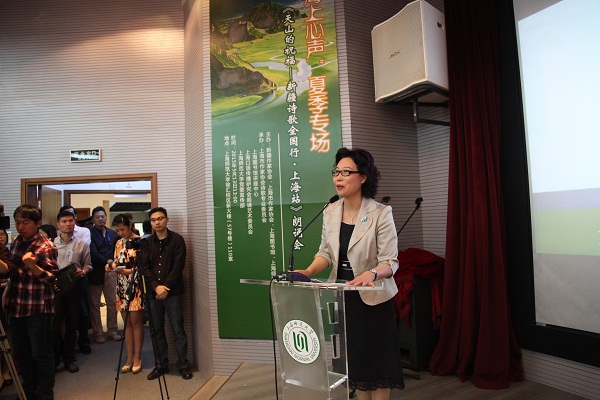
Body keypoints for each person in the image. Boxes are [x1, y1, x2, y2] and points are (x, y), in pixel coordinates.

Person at [296, 148, 405, 400]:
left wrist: (372, 274)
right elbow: (325, 253)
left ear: (363, 177)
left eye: (346, 172)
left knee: (377, 364)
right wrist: (309, 271)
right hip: (343, 298)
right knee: (355, 365)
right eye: (336, 172)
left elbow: (390, 262)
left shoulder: (380, 213)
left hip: (373, 298)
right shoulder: (331, 211)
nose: (338, 177)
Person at [4, 205, 58, 400]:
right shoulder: (17, 242)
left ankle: (45, 393)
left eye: (25, 223)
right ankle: (29, 391)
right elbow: (13, 272)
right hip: (17, 306)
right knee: (21, 353)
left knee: (40, 353)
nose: (20, 227)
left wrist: (33, 266)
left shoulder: (46, 246)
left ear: (37, 223)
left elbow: (53, 280)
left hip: (38, 307)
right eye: (17, 222)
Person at [142, 207, 192, 380]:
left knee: (178, 330)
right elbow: (145, 267)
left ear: (167, 219)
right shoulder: (147, 243)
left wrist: (165, 287)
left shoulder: (177, 240)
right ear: (150, 222)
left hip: (173, 292)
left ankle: (183, 365)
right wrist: (156, 287)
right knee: (156, 330)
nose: (157, 222)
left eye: (160, 218)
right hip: (153, 294)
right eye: (153, 220)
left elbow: (178, 266)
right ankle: (160, 365)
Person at [51, 210, 92, 373]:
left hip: (75, 287)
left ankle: (69, 358)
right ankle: (54, 359)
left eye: (70, 221)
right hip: (57, 288)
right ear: (58, 224)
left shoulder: (82, 244)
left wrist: (83, 271)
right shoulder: (51, 245)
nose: (68, 224)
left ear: (75, 222)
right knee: (53, 325)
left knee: (71, 324)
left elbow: (88, 265)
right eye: (64, 221)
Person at [106, 214, 144, 374]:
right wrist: (111, 266)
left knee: (136, 322)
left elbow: (144, 266)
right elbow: (116, 260)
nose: (120, 233)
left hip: (135, 285)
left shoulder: (140, 241)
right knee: (126, 323)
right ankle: (129, 356)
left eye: (122, 229)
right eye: (117, 230)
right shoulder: (119, 243)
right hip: (121, 285)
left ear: (130, 225)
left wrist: (130, 271)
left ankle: (138, 356)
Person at [88, 206, 121, 343]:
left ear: (106, 217)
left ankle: (112, 331)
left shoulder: (112, 233)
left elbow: (117, 250)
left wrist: (114, 262)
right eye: (97, 217)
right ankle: (98, 333)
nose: (100, 219)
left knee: (112, 302)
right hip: (95, 271)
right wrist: (107, 261)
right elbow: (93, 253)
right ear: (93, 219)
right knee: (95, 305)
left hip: (111, 271)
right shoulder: (89, 233)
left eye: (102, 216)